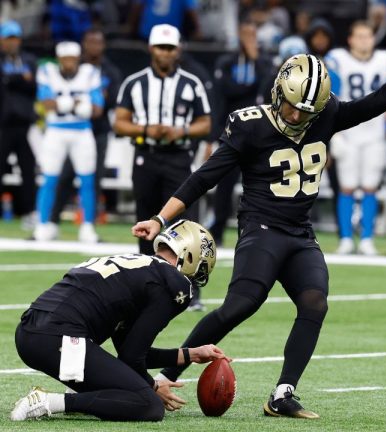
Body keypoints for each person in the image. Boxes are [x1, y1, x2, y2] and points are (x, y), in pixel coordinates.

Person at [131, 35, 386, 418]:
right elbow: (204, 177)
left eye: (306, 111)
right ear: (278, 92)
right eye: (291, 106)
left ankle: (283, 393)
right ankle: (166, 376)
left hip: (300, 232)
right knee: (241, 305)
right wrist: (160, 218)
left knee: (314, 302)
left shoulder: (325, 114)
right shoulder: (251, 125)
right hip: (261, 229)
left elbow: (378, 101)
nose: (295, 116)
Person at [11, 220, 226, 422]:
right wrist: (153, 386)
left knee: (126, 391)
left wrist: (191, 354)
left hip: (30, 334)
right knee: (148, 404)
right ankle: (47, 402)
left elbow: (129, 351)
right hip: (60, 338)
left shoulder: (138, 268)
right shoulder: (172, 282)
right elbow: (132, 357)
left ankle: (85, 390)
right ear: (189, 257)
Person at [114, 24, 212, 255]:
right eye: (161, 47)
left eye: (170, 48)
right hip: (146, 156)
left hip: (179, 157)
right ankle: (147, 274)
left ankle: (184, 276)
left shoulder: (191, 83)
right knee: (145, 218)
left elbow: (205, 123)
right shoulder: (134, 83)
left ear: (178, 50)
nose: (165, 52)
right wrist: (145, 130)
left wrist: (181, 131)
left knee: (183, 222)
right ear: (151, 48)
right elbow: (119, 123)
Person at [325, 20, 386, 256]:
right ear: (350, 39)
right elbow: (330, 97)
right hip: (347, 131)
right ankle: (346, 238)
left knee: (370, 187)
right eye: (360, 36)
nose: (365, 41)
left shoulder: (384, 60)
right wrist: (332, 133)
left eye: (368, 36)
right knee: (346, 187)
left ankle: (367, 238)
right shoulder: (337, 59)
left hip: (375, 132)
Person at [51, 28, 123, 229]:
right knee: (64, 176)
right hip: (72, 129)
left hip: (98, 131)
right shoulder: (74, 67)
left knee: (93, 177)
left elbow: (112, 100)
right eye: (90, 42)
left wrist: (89, 101)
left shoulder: (110, 71)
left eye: (97, 42)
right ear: (84, 44)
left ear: (103, 45)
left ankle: (89, 224)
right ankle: (51, 221)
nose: (94, 46)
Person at [209, 21, 273, 246]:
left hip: (259, 132)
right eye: (245, 34)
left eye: (252, 34)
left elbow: (267, 88)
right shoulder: (226, 62)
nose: (248, 39)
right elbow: (223, 92)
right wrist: (213, 136)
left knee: (259, 184)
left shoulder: (264, 63)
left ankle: (260, 230)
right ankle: (217, 229)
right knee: (224, 185)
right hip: (232, 131)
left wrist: (255, 59)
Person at [34, 41, 103, 243]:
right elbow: (45, 103)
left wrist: (78, 106)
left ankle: (87, 226)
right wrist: (74, 104)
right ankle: (43, 225)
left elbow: (97, 108)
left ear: (78, 58)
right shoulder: (47, 71)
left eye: (72, 59)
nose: (69, 63)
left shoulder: (90, 72)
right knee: (48, 178)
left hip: (82, 132)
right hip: (55, 131)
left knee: (87, 179)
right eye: (65, 59)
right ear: (59, 59)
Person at [0, 20, 37, 226]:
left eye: (15, 38)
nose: (12, 42)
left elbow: (34, 85)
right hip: (3, 125)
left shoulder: (29, 60)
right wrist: (21, 79)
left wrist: (11, 79)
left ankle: (29, 211)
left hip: (24, 125)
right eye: (8, 38)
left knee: (28, 170)